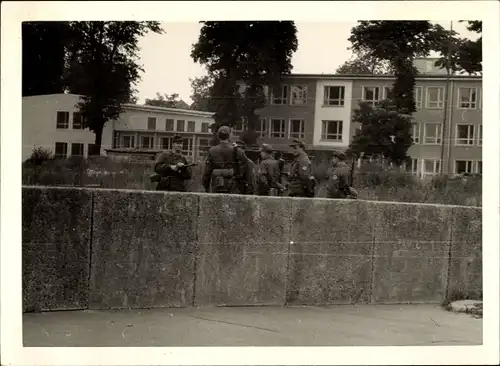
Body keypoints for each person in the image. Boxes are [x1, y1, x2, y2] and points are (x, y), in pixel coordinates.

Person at [202, 126, 248, 194]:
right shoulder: (237, 150)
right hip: (232, 185)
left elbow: (207, 172)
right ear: (229, 136)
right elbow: (245, 164)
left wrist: (206, 186)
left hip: (216, 185)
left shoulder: (212, 151)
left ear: (218, 136)